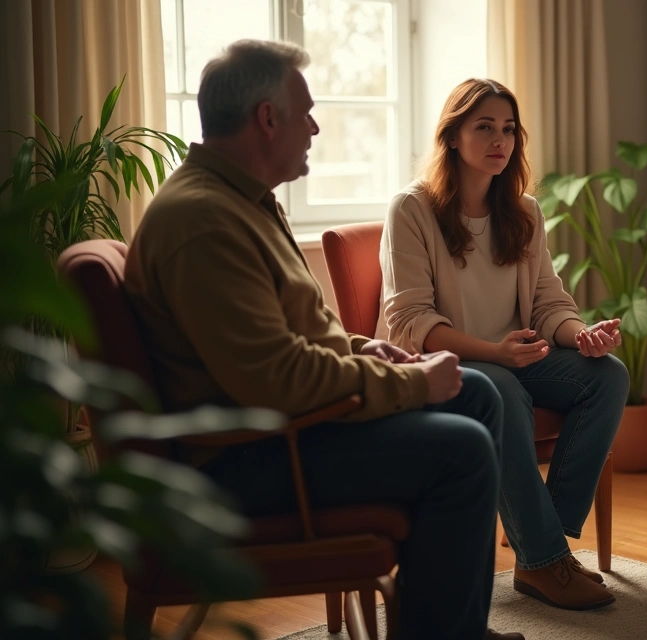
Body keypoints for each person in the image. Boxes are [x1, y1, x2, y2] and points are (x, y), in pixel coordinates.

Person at [124, 40, 521, 640]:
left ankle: (448, 621)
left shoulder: (246, 203)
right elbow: (274, 379)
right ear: (267, 119)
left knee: (477, 396)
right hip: (246, 457)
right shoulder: (203, 222)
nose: (313, 127)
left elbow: (299, 335)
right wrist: (410, 380)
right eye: (305, 112)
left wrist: (366, 350)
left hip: (287, 430)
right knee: (460, 449)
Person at [380, 78, 629, 611]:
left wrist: (579, 335)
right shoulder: (412, 210)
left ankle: (545, 548)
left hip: (515, 359)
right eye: (485, 127)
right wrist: (493, 352)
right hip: (448, 366)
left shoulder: (524, 210)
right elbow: (409, 321)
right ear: (452, 136)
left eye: (509, 129)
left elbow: (548, 302)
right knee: (500, 389)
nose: (500, 140)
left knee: (608, 376)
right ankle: (544, 559)